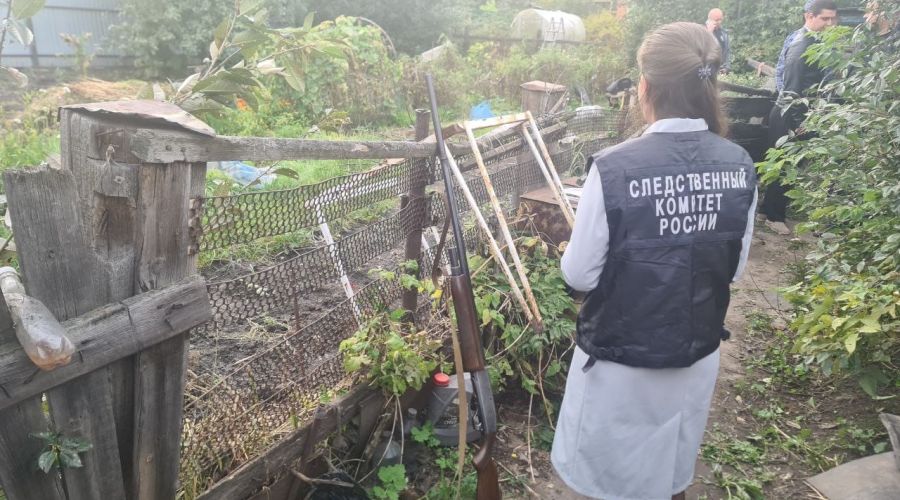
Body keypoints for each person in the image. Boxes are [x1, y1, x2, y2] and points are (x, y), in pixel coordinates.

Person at [551, 22, 757, 500]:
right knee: (668, 467)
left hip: (622, 361)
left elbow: (579, 273)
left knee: (611, 478)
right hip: (694, 354)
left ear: (645, 86)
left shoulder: (614, 167)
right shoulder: (739, 164)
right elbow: (734, 267)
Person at [761, 0, 837, 234]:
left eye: (833, 19)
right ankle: (774, 217)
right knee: (786, 165)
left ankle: (767, 210)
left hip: (799, 113)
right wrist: (798, 123)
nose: (830, 24)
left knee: (787, 164)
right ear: (809, 17)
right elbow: (791, 89)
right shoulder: (801, 44)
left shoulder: (818, 41)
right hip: (790, 114)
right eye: (825, 19)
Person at [706, 8, 731, 73]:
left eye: (720, 19)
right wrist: (709, 32)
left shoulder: (724, 33)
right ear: (709, 20)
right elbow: (703, 49)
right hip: (707, 70)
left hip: (721, 70)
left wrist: (727, 67)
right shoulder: (703, 31)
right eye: (716, 20)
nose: (719, 22)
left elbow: (727, 51)